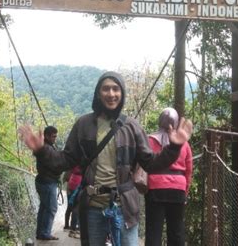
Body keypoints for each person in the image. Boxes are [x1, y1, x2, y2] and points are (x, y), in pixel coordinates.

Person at [19, 71, 193, 246]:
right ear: (98, 93)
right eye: (106, 89)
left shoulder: (132, 126)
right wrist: (41, 150)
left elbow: (151, 164)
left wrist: (175, 147)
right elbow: (65, 160)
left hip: (124, 206)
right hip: (93, 206)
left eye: (116, 89)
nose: (111, 94)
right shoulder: (83, 125)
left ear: (122, 93)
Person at [145, 108, 193, 246]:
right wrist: (185, 190)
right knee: (176, 231)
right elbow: (188, 169)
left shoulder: (149, 140)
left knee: (153, 230)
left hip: (155, 188)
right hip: (178, 189)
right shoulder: (182, 142)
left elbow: (144, 164)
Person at [34, 126, 61, 241]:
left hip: (43, 181)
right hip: (47, 182)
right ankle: (45, 233)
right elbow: (56, 164)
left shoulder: (46, 147)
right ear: (47, 136)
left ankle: (40, 232)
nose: (55, 138)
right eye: (53, 136)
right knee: (51, 208)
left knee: (44, 207)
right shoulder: (47, 148)